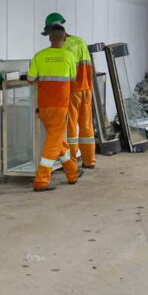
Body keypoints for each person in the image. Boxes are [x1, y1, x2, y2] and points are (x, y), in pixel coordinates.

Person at [27, 24, 82, 191]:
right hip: (60, 106)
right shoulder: (69, 56)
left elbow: (30, 78)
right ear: (64, 39)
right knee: (53, 142)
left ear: (49, 38)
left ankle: (72, 173)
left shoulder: (39, 55)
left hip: (43, 107)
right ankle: (42, 180)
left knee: (58, 140)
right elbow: (73, 79)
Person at [42, 12, 96, 170]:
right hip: (86, 89)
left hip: (72, 91)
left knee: (71, 127)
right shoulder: (80, 41)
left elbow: (63, 72)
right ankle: (89, 160)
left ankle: (71, 163)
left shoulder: (63, 46)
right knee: (86, 125)